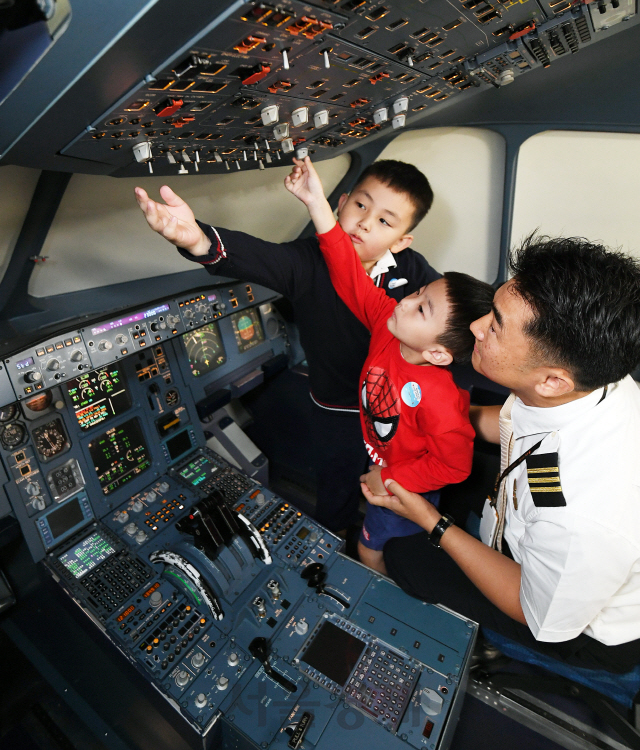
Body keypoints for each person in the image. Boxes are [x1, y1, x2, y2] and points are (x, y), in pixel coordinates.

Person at [364, 235, 640, 673]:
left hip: (576, 623)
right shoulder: (599, 379)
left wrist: (430, 522)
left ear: (552, 380)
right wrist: (429, 419)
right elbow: (514, 423)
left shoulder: (582, 520)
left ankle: (481, 646)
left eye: (494, 325)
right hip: (533, 520)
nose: (475, 326)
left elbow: (529, 605)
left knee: (405, 553)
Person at [134, 158, 440, 533]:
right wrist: (197, 239)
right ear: (340, 204)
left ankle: (384, 536)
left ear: (402, 240)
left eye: (384, 221)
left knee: (398, 481)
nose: (364, 222)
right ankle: (335, 536)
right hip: (336, 405)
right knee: (337, 480)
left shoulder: (413, 270)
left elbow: (447, 315)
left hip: (395, 406)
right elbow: (257, 256)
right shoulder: (305, 261)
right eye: (361, 205)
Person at [284, 156, 494, 572]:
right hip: (379, 452)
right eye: (417, 295)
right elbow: (348, 273)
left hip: (403, 480)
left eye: (420, 308)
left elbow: (452, 463)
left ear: (437, 354)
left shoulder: (439, 400)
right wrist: (316, 207)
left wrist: (393, 478)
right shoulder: (387, 322)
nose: (407, 300)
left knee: (373, 547)